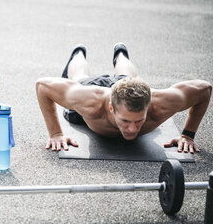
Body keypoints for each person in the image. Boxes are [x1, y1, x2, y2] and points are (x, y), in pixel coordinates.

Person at [36, 43, 212, 154]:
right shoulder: (88, 100)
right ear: (112, 108)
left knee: (127, 76)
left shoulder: (162, 103)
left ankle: (120, 54)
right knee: (78, 77)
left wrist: (188, 135)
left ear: (148, 107)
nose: (132, 129)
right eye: (126, 120)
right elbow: (42, 86)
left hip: (125, 86)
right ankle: (78, 53)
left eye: (138, 121)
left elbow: (204, 89)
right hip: (94, 90)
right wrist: (56, 133)